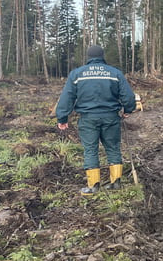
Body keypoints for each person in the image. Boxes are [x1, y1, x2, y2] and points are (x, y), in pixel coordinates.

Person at [55, 45, 137, 196]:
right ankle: (116, 182)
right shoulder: (115, 73)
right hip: (111, 117)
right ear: (102, 56)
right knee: (113, 147)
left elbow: (67, 97)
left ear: (88, 56)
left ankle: (93, 186)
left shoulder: (77, 74)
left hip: (88, 119)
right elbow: (129, 96)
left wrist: (62, 117)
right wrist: (128, 109)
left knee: (91, 149)